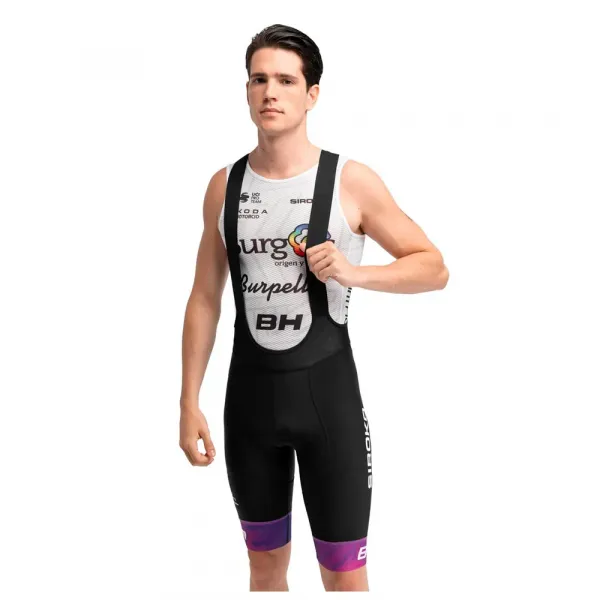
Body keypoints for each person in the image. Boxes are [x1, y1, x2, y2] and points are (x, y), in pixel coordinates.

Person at [179, 23, 449, 592]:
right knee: (264, 570)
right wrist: (188, 401)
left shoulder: (350, 181)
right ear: (246, 90)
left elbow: (433, 267)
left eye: (285, 80)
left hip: (329, 403)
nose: (270, 92)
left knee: (344, 576)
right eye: (259, 80)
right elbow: (205, 297)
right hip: (248, 405)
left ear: (312, 94)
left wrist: (354, 273)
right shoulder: (224, 186)